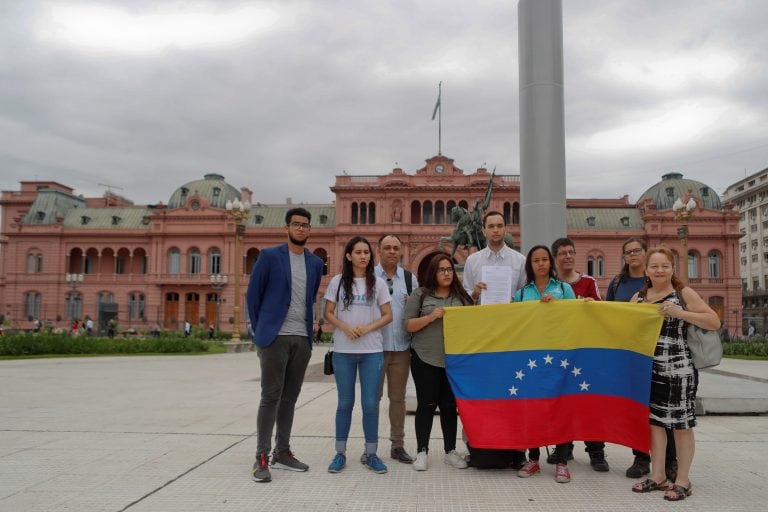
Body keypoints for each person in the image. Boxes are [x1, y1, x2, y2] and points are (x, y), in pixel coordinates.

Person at [630, 246, 720, 501]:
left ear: (672, 269)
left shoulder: (683, 294)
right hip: (648, 368)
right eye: (654, 266)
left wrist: (680, 312)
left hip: (679, 368)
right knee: (655, 423)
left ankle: (682, 479)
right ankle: (658, 475)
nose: (659, 271)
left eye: (664, 266)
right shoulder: (639, 297)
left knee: (681, 424)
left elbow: (714, 321)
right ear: (646, 270)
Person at [246, 207, 324, 483]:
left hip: (301, 339)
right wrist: (261, 331)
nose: (301, 229)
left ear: (309, 229)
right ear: (287, 227)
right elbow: (253, 297)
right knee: (270, 397)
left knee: (290, 398)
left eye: (305, 225)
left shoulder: (315, 263)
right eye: (296, 224)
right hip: (274, 338)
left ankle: (282, 451)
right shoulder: (269, 257)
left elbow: (311, 297)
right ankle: (262, 457)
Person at [606, 237, 678, 480]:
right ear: (624, 256)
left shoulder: (663, 283)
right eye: (629, 252)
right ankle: (640, 458)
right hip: (633, 354)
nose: (633, 255)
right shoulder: (618, 284)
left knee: (664, 410)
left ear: (646, 256)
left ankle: (670, 462)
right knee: (637, 407)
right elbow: (609, 313)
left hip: (665, 356)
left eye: (638, 250)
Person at [324, 236, 393, 474]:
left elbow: (388, 315)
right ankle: (340, 453)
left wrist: (367, 328)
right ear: (348, 256)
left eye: (366, 252)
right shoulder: (338, 282)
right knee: (345, 403)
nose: (363, 256)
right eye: (358, 252)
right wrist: (345, 327)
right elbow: (329, 312)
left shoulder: (379, 283)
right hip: (343, 351)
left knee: (370, 404)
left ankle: (371, 453)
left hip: (371, 351)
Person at [513, 245, 576, 483]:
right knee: (532, 408)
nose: (540, 264)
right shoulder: (521, 293)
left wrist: (558, 307)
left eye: (544, 260)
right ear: (530, 265)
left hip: (559, 357)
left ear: (551, 263)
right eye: (535, 260)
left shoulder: (564, 289)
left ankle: (561, 461)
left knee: (560, 407)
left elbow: (576, 318)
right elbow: (514, 323)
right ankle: (533, 458)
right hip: (531, 359)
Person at [405, 253, 473, 472]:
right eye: (441, 269)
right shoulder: (420, 295)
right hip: (425, 358)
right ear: (433, 272)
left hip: (454, 362)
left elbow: (475, 324)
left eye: (450, 269)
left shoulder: (462, 297)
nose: (446, 273)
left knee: (449, 406)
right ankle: (422, 451)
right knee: (426, 404)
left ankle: (450, 451)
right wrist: (431, 317)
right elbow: (408, 325)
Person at [550, 237, 608, 472]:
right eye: (562, 253)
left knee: (588, 402)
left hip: (584, 351)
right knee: (561, 402)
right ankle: (564, 448)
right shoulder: (550, 285)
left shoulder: (588, 282)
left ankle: (596, 451)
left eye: (571, 252)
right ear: (556, 258)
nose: (567, 256)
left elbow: (601, 312)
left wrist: (589, 305)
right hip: (559, 350)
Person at [374, 234, 419, 464]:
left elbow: (418, 311)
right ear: (379, 250)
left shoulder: (410, 279)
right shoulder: (368, 278)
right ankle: (370, 447)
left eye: (395, 248)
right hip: (373, 349)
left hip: (401, 348)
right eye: (387, 247)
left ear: (401, 252)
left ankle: (397, 445)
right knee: (372, 399)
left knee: (398, 399)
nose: (392, 251)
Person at [463, 211, 526, 304]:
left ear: (505, 230)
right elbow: (465, 294)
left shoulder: (520, 260)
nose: (496, 230)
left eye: (500, 226)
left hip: (511, 316)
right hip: (482, 316)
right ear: (484, 231)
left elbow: (524, 293)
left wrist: (515, 301)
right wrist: (474, 294)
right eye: (491, 226)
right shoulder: (471, 261)